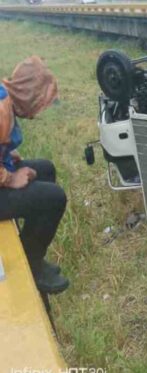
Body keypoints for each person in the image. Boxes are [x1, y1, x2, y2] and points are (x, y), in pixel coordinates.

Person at [0, 56, 69, 294]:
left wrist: (6, 155)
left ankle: (33, 252)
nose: (40, 110)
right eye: (41, 101)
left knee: (45, 169)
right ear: (30, 94)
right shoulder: (1, 111)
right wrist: (10, 178)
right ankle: (30, 267)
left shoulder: (5, 98)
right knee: (54, 198)